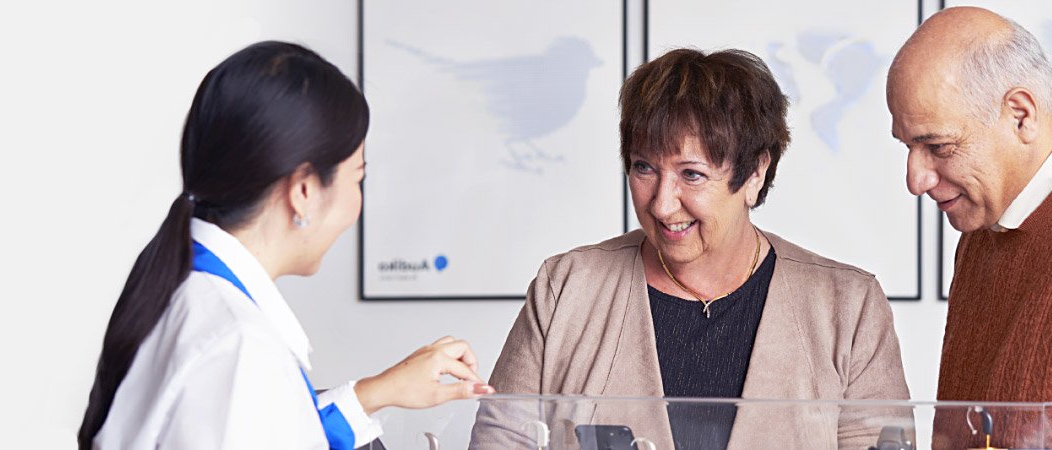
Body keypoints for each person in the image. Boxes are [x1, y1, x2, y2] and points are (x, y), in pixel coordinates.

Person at [471, 48, 910, 450]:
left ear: (756, 172)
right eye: (644, 168)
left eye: (692, 174)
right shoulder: (565, 288)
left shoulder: (848, 306)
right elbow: (501, 440)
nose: (661, 204)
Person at [77, 41, 493, 450]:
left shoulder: (185, 290)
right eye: (358, 177)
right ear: (305, 190)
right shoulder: (240, 348)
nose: (358, 203)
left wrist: (374, 393)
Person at [888, 7, 1052, 448]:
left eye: (937, 146)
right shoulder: (980, 234)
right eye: (908, 147)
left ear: (1021, 116)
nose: (915, 180)